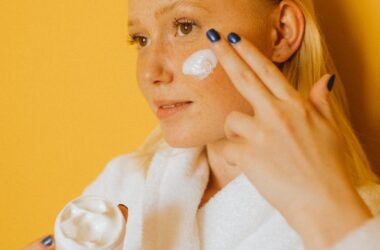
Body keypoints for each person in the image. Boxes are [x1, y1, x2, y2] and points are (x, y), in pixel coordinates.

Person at [25, 0, 380, 249]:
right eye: (141, 40)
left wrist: (325, 211)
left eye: (184, 27)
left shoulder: (358, 220)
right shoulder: (122, 185)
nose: (149, 72)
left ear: (281, 32)